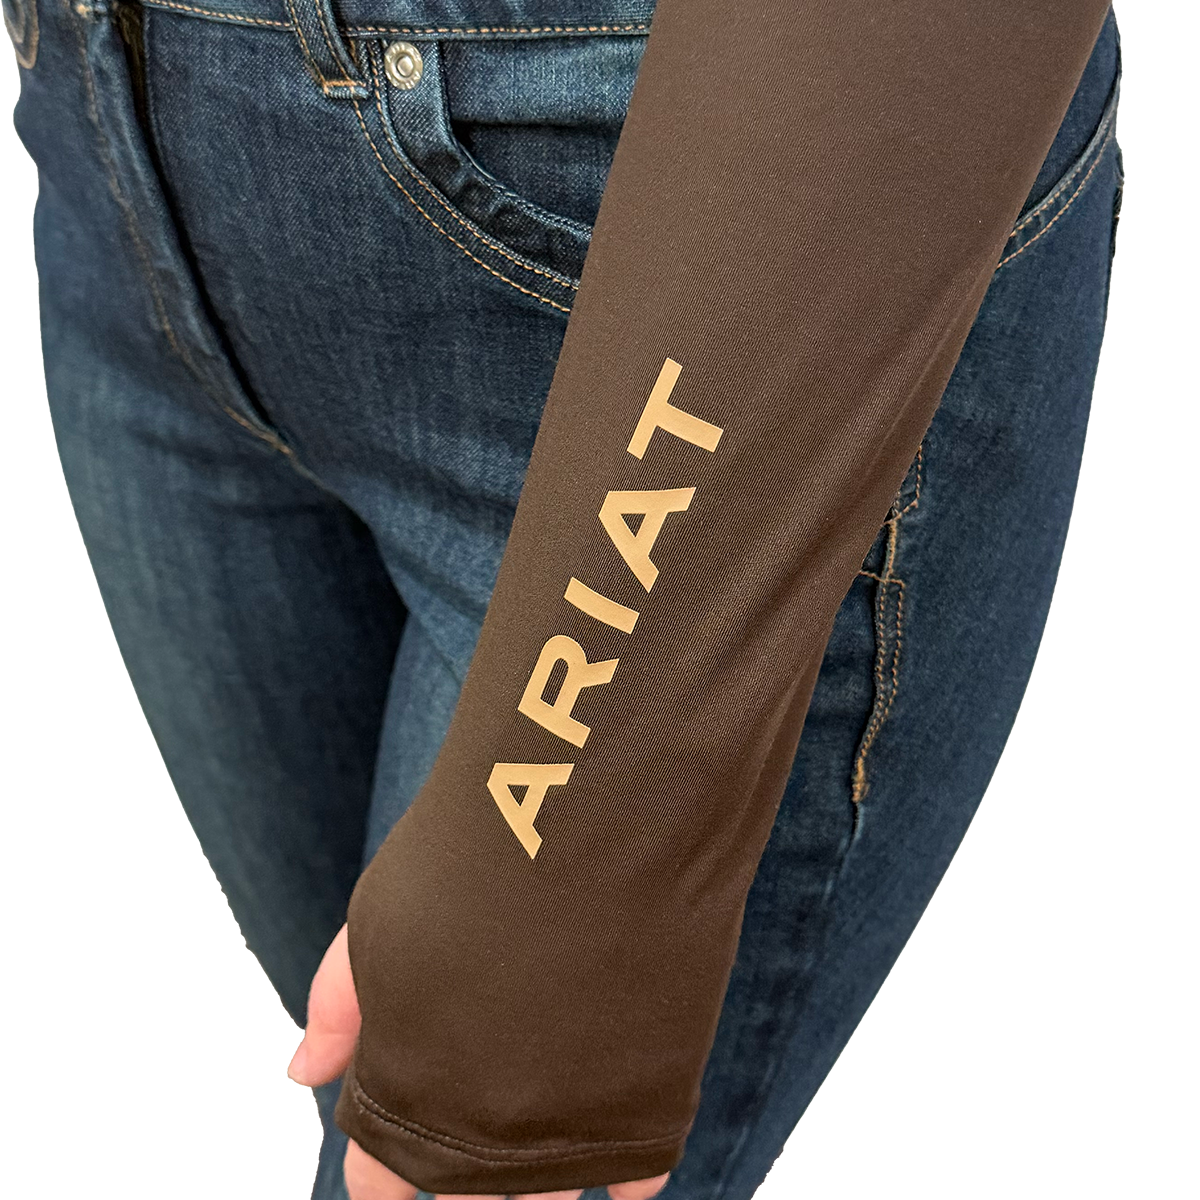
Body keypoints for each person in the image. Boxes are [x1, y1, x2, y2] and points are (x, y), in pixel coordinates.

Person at [7, 0, 1121, 1195]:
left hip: (677, 199)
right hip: (111, 127)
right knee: (366, 1070)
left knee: (466, 1125)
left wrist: (585, 819)